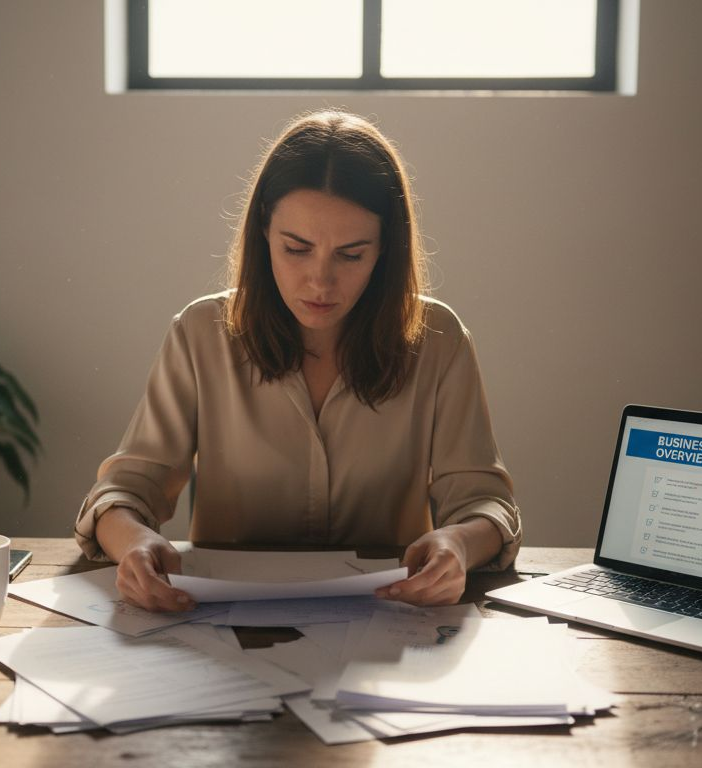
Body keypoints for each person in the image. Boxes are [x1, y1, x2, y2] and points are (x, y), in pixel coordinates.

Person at [74, 110, 522, 610]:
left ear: (385, 251)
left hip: (389, 619)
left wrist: (458, 544)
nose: (320, 282)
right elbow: (127, 489)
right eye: (297, 248)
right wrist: (133, 542)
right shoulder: (201, 334)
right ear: (264, 232)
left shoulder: (439, 339)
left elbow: (484, 502)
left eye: (351, 255)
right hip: (226, 623)